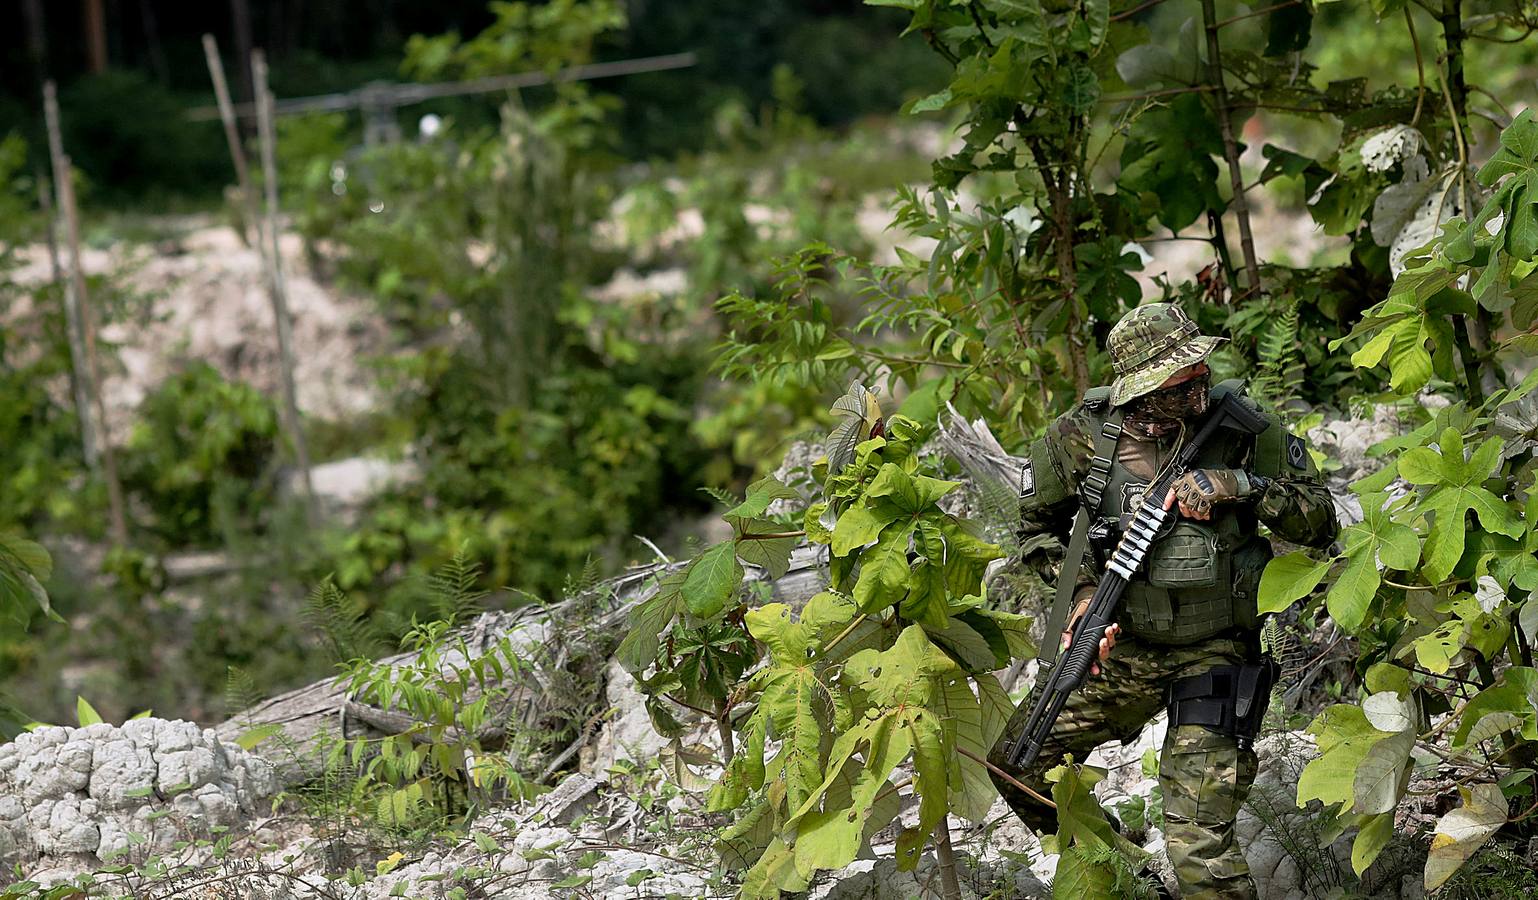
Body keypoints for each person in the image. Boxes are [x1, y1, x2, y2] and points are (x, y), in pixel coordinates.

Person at [988, 302, 1339, 899]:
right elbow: (1035, 535)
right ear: (1141, 391)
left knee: (1197, 845)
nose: (1198, 387)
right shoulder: (1077, 439)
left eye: (1200, 371)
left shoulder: (1244, 428)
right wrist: (1079, 596)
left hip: (1217, 650)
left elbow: (1320, 519)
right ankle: (1129, 873)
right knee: (1017, 767)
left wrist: (1241, 488)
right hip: (1126, 646)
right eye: (1180, 384)